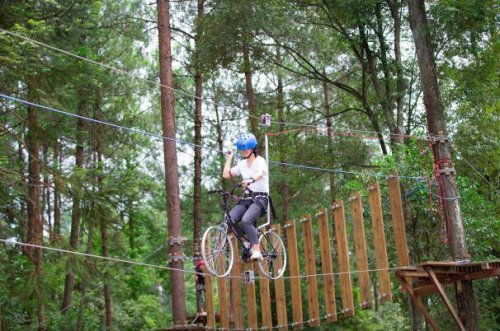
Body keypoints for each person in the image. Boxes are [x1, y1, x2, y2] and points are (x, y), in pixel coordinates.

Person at [222, 133, 269, 261]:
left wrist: (251, 180)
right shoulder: (242, 164)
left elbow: (261, 173)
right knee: (229, 220)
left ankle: (257, 251)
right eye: (242, 149)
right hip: (247, 199)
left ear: (253, 148)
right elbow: (226, 174)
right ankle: (247, 242)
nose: (244, 151)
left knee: (246, 220)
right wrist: (229, 158)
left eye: (246, 149)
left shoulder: (260, 161)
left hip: (260, 199)